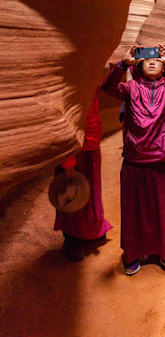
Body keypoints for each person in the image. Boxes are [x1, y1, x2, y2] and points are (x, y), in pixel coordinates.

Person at [101, 43, 165, 275]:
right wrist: (123, 63)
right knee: (134, 212)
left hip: (162, 161)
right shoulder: (130, 89)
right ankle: (133, 255)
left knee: (162, 211)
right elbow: (107, 87)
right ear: (139, 65)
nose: (152, 61)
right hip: (134, 161)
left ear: (163, 67)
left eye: (157, 59)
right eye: (146, 59)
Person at [54, 89, 112, 261]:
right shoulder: (71, 88)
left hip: (90, 148)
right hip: (76, 152)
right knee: (72, 195)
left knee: (90, 194)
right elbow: (64, 126)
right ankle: (73, 240)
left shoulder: (88, 87)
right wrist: (68, 163)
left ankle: (90, 232)